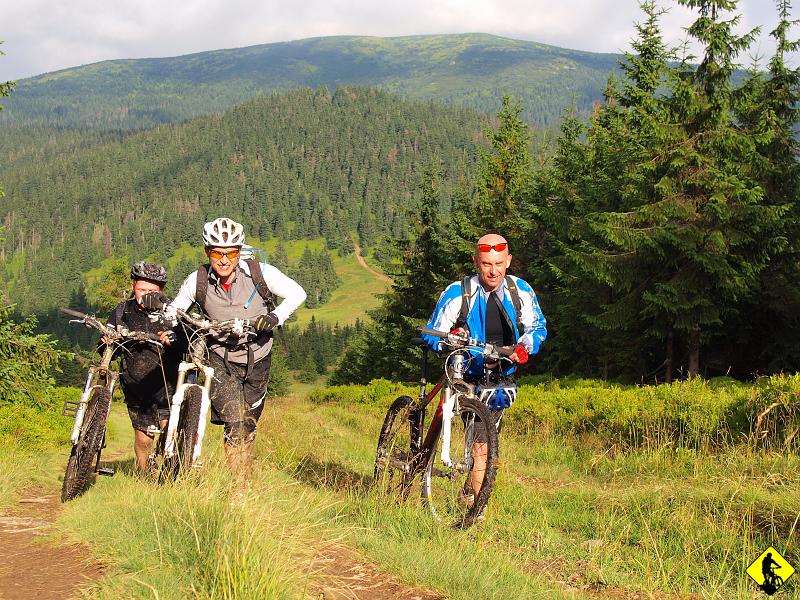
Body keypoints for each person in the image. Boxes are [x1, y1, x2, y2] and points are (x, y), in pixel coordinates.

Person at [142, 217, 306, 475]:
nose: (224, 260)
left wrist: (275, 317)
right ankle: (238, 490)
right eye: (217, 253)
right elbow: (175, 312)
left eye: (231, 253)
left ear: (239, 251)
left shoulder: (259, 272)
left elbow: (298, 293)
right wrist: (159, 308)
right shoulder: (197, 280)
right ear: (208, 252)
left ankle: (243, 480)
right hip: (218, 356)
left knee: (248, 425)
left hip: (258, 357)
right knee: (235, 423)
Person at [422, 233, 546, 516]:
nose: (493, 271)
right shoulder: (458, 293)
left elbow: (537, 327)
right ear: (476, 261)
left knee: (486, 444)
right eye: (487, 263)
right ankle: (476, 513)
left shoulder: (520, 291)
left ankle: (469, 494)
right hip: (467, 377)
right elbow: (434, 331)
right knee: (482, 446)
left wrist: (524, 347)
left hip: (502, 378)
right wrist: (450, 338)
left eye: (499, 263)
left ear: (509, 261)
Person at [104, 261, 183, 472]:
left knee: (170, 437)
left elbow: (187, 343)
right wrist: (106, 341)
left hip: (169, 386)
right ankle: (143, 474)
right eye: (142, 289)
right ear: (133, 287)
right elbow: (107, 342)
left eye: (153, 290)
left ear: (162, 290)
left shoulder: (172, 311)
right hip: (136, 386)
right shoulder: (123, 311)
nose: (146, 294)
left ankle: (169, 476)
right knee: (143, 439)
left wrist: (174, 340)